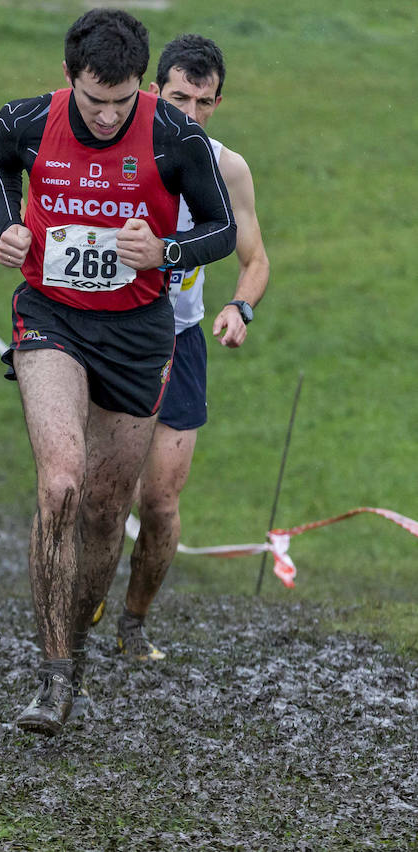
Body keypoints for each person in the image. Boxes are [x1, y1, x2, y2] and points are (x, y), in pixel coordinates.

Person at [0, 9, 236, 735]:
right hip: (51, 319)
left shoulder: (173, 135)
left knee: (103, 508)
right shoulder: (27, 119)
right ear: (70, 78)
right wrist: (10, 225)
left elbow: (224, 229)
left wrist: (168, 253)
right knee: (60, 481)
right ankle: (52, 676)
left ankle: (79, 654)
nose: (106, 116)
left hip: (138, 333)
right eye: (94, 101)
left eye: (122, 103)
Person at [109, 35, 270, 661]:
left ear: (218, 102)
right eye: (179, 98)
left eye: (204, 102)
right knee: (105, 492)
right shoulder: (122, 154)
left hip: (180, 341)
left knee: (161, 500)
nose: (191, 114)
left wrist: (240, 305)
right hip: (113, 337)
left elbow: (255, 260)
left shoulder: (229, 169)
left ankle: (134, 623)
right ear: (155, 92)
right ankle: (86, 591)